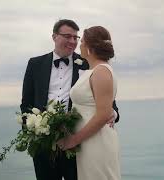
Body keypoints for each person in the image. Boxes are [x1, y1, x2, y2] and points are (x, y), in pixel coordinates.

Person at [20, 19, 120, 180]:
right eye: (68, 36)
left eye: (76, 38)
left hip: (78, 144)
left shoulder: (89, 64)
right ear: (54, 37)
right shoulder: (35, 64)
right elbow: (26, 104)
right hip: (44, 145)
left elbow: (108, 102)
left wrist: (112, 114)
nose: (73, 41)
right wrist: (33, 135)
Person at [57, 26, 121, 180]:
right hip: (88, 141)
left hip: (97, 141)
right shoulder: (93, 70)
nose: (80, 45)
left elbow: (103, 114)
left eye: (82, 41)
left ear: (91, 47)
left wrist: (73, 140)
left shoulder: (101, 71)